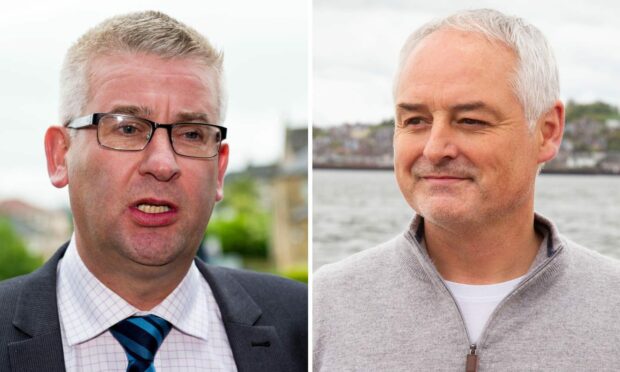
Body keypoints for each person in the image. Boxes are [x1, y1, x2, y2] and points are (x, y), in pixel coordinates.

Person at [314, 8, 620, 371]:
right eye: (415, 121)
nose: (434, 148)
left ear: (547, 131)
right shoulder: (325, 305)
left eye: (471, 121)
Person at [0, 11, 306, 372]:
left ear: (220, 169)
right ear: (60, 155)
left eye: (192, 133)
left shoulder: (302, 325)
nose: (163, 164)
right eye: (127, 129)